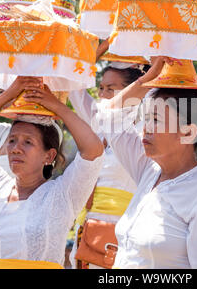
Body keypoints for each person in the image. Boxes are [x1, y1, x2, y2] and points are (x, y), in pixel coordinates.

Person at [96, 57, 197, 268]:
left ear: (188, 131)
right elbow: (109, 117)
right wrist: (148, 79)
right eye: (146, 119)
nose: (146, 128)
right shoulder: (149, 171)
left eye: (156, 120)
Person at [0, 76, 105, 269]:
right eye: (12, 140)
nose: (16, 148)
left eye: (28, 142)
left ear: (49, 156)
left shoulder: (63, 194)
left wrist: (57, 107)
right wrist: (9, 94)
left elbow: (93, 149)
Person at [68, 63, 148, 269]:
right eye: (101, 88)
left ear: (134, 92)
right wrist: (101, 45)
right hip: (86, 231)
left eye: (110, 89)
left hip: (124, 234)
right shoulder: (99, 124)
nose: (103, 95)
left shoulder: (145, 135)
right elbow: (73, 86)